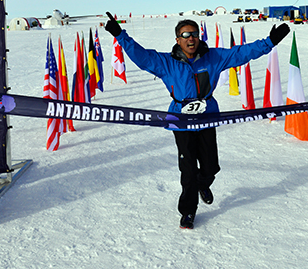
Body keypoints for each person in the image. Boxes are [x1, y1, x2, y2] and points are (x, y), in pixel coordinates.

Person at [104, 12, 290, 229]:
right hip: (181, 120)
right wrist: (120, 34)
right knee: (188, 169)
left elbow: (241, 53)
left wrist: (269, 42)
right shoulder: (167, 63)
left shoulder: (213, 57)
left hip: (207, 117)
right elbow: (142, 56)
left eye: (194, 34)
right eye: (185, 35)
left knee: (211, 166)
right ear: (178, 40)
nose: (190, 38)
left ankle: (203, 184)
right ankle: (188, 211)